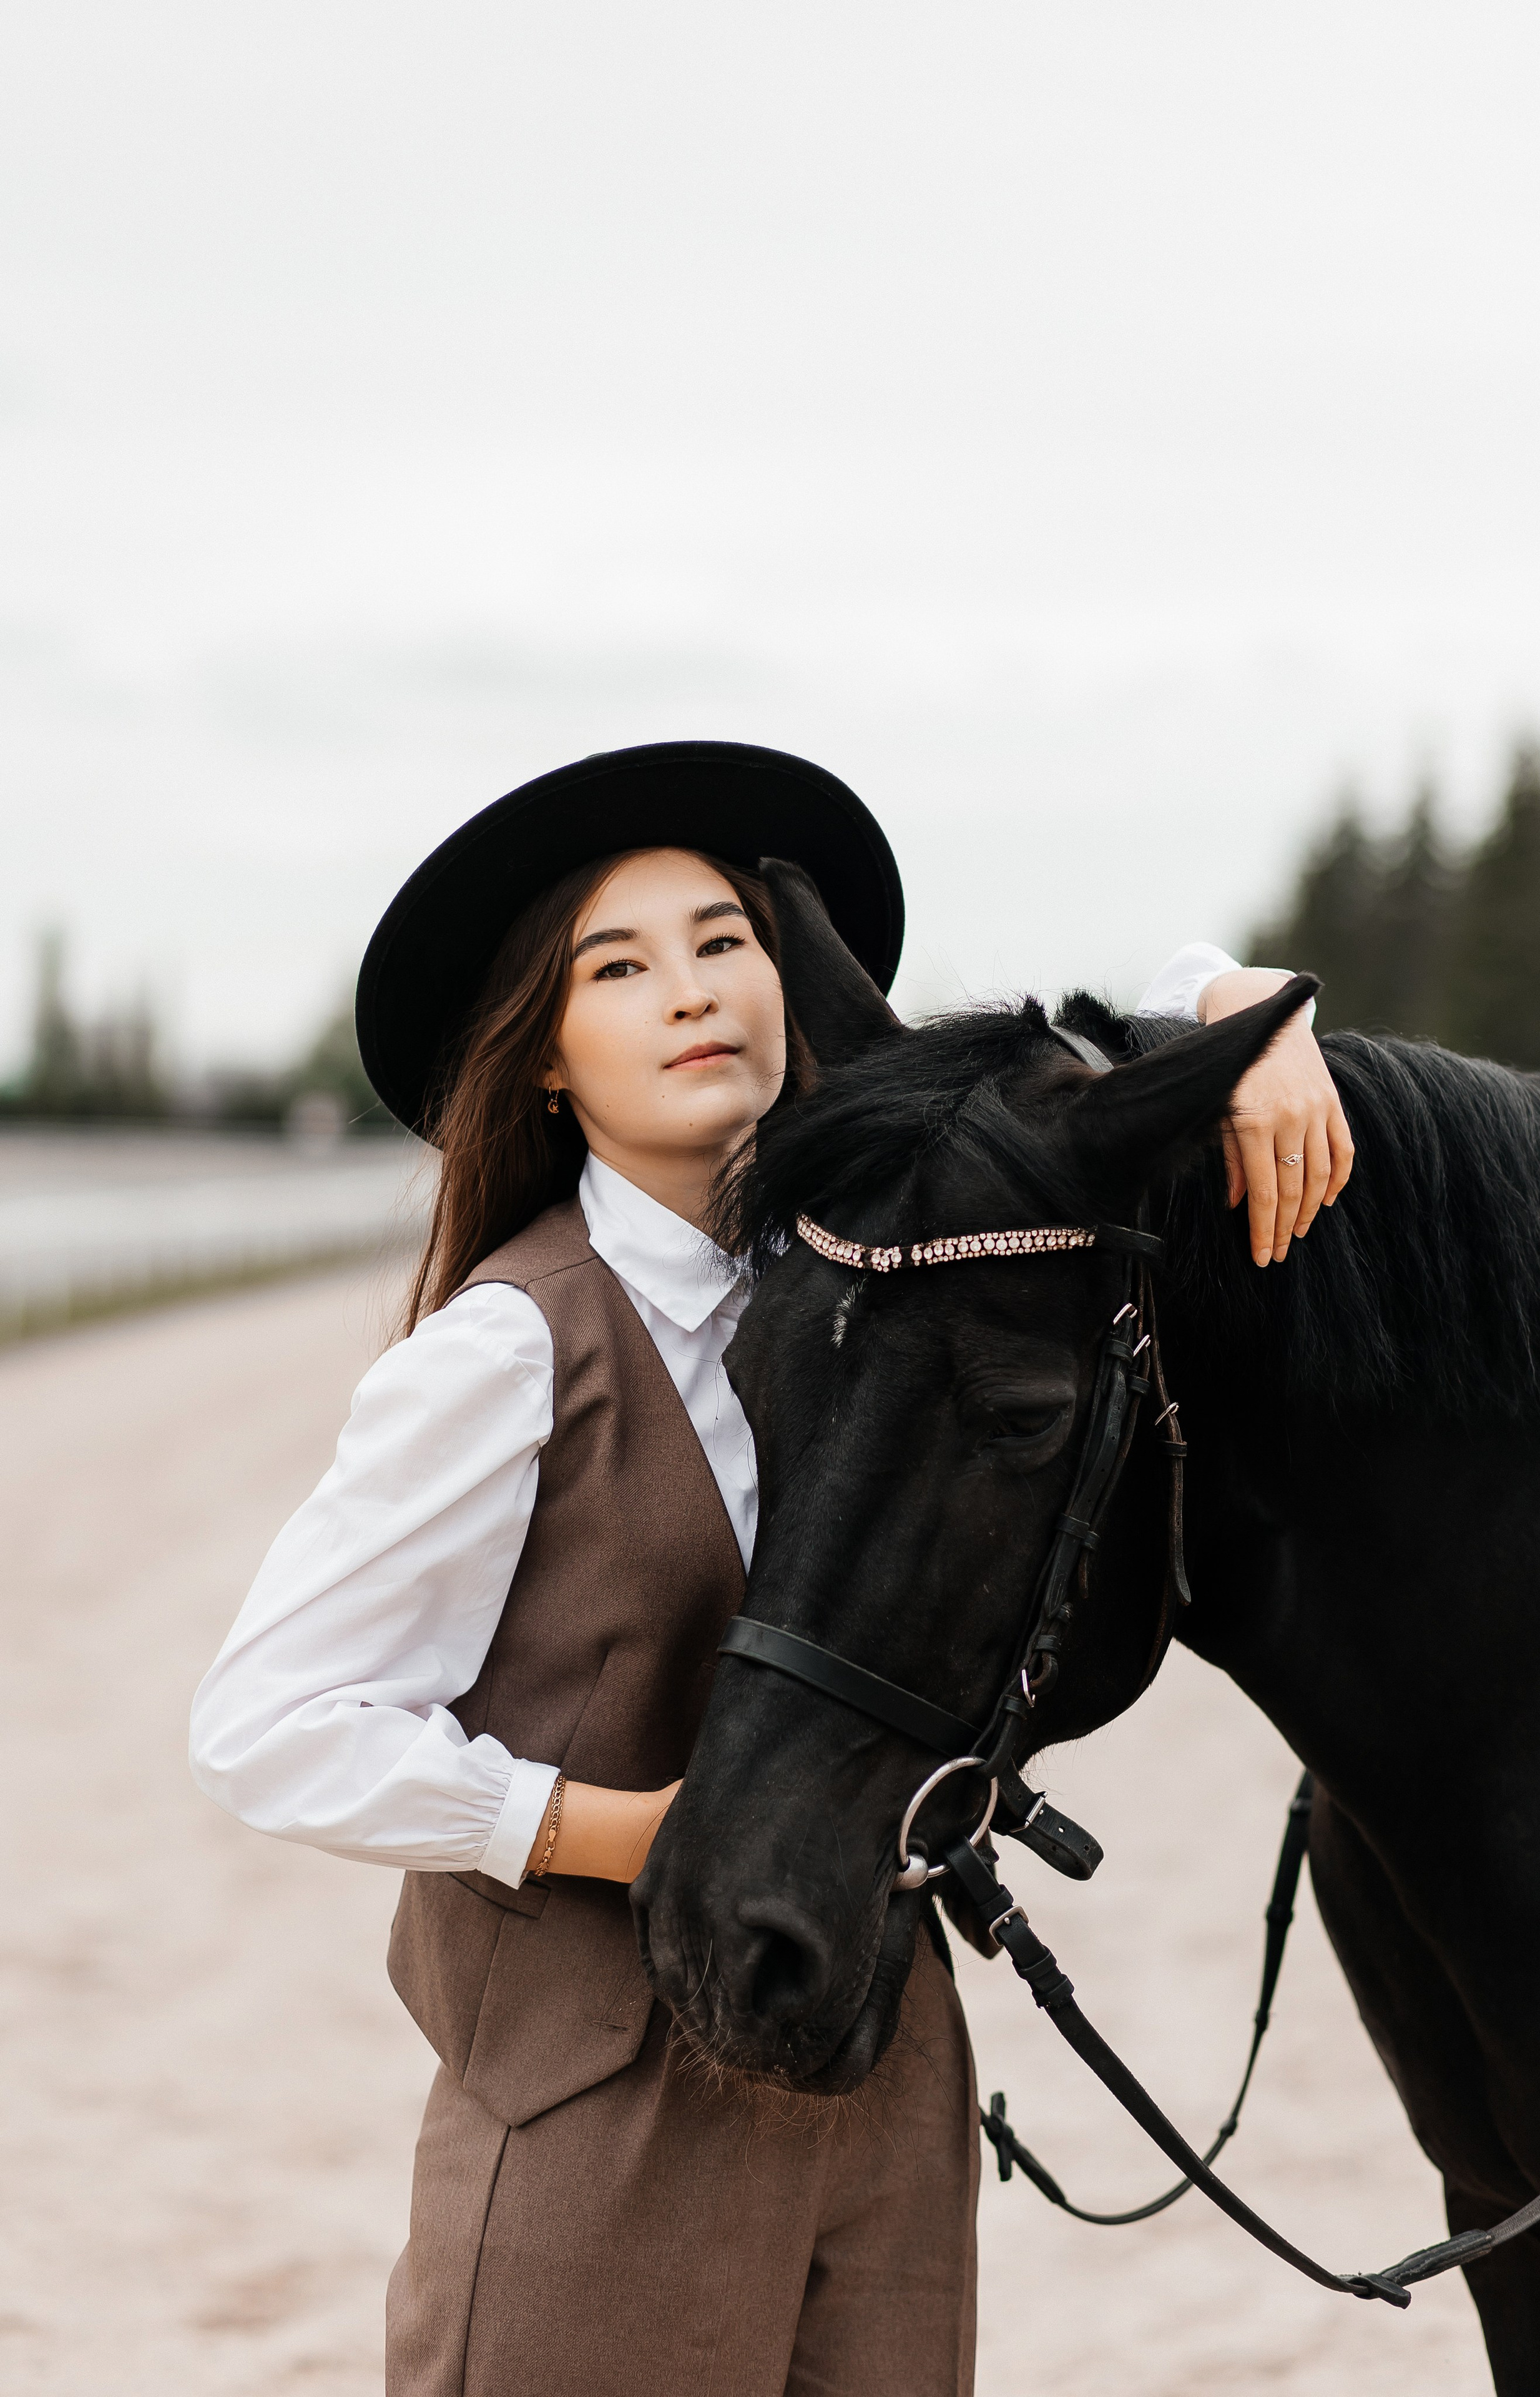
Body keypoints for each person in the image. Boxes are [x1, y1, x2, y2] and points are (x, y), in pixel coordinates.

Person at [190, 740, 1353, 2396]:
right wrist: (608, 1832)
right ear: (542, 1060)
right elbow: (268, 1723)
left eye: (723, 940)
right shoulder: (512, 1349)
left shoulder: (867, 1257)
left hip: (879, 2067)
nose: (690, 991)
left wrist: (1260, 1004)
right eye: (622, 965)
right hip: (607, 2103)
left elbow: (1086, 1044)